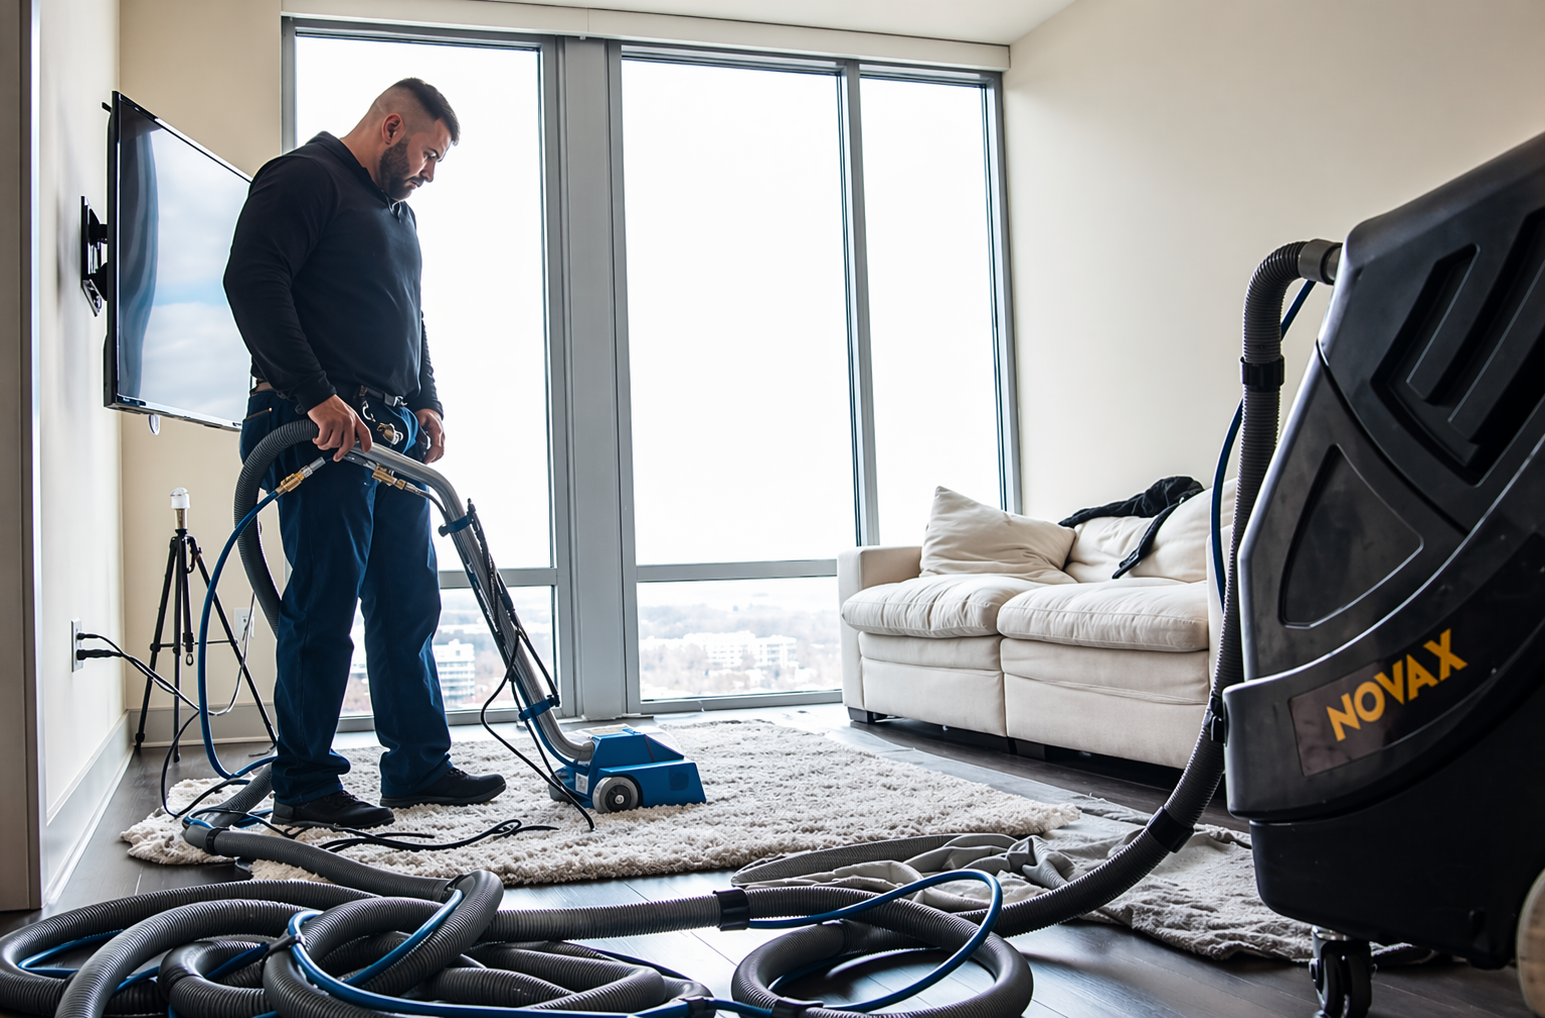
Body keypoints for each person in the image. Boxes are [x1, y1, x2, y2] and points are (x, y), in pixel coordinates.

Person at [224, 78, 504, 829]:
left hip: (388, 438)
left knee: (407, 602)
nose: (428, 174)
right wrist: (317, 397)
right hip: (318, 427)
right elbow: (252, 282)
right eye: (427, 155)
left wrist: (428, 399)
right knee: (323, 604)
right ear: (390, 127)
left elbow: (411, 319)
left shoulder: (398, 218)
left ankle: (416, 765)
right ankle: (306, 784)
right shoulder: (304, 179)